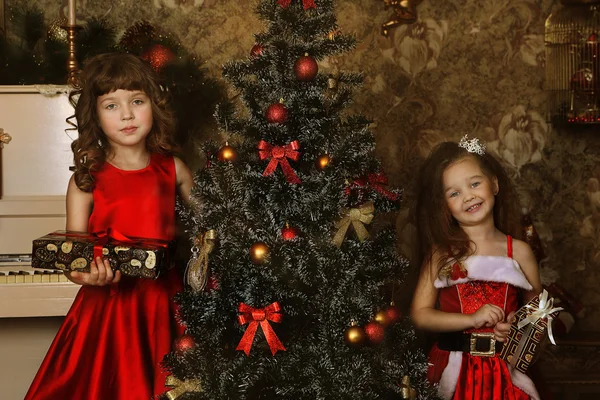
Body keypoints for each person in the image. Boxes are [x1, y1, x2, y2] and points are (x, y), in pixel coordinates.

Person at [25, 53, 194, 400]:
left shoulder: (174, 169)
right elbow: (75, 255)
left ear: (154, 104)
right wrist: (87, 275)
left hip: (166, 306)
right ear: (95, 116)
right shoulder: (86, 180)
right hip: (107, 311)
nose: (127, 114)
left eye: (136, 101)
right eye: (111, 105)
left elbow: (211, 229)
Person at [410, 136, 543, 400]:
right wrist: (471, 319)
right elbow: (420, 315)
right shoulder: (440, 254)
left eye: (474, 183)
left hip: (502, 371)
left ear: (493, 184)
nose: (468, 196)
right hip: (453, 368)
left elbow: (537, 313)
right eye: (454, 193)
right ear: (444, 205)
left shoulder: (519, 251)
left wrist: (515, 327)